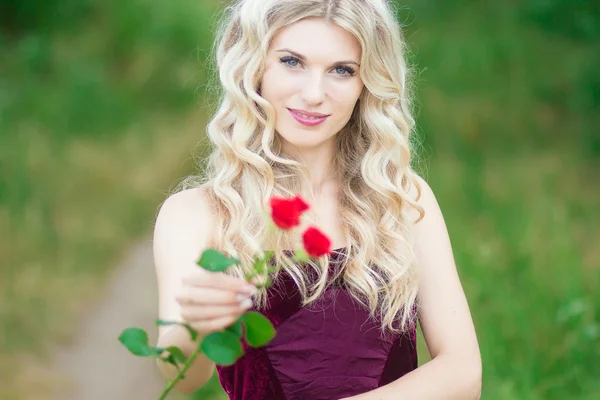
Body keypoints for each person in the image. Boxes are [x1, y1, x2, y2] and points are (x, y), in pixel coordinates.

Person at [153, 0, 482, 399]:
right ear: (253, 67)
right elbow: (182, 378)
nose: (313, 94)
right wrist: (197, 323)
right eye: (292, 62)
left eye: (342, 70)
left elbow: (463, 372)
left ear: (367, 84)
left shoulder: (403, 200)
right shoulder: (197, 214)